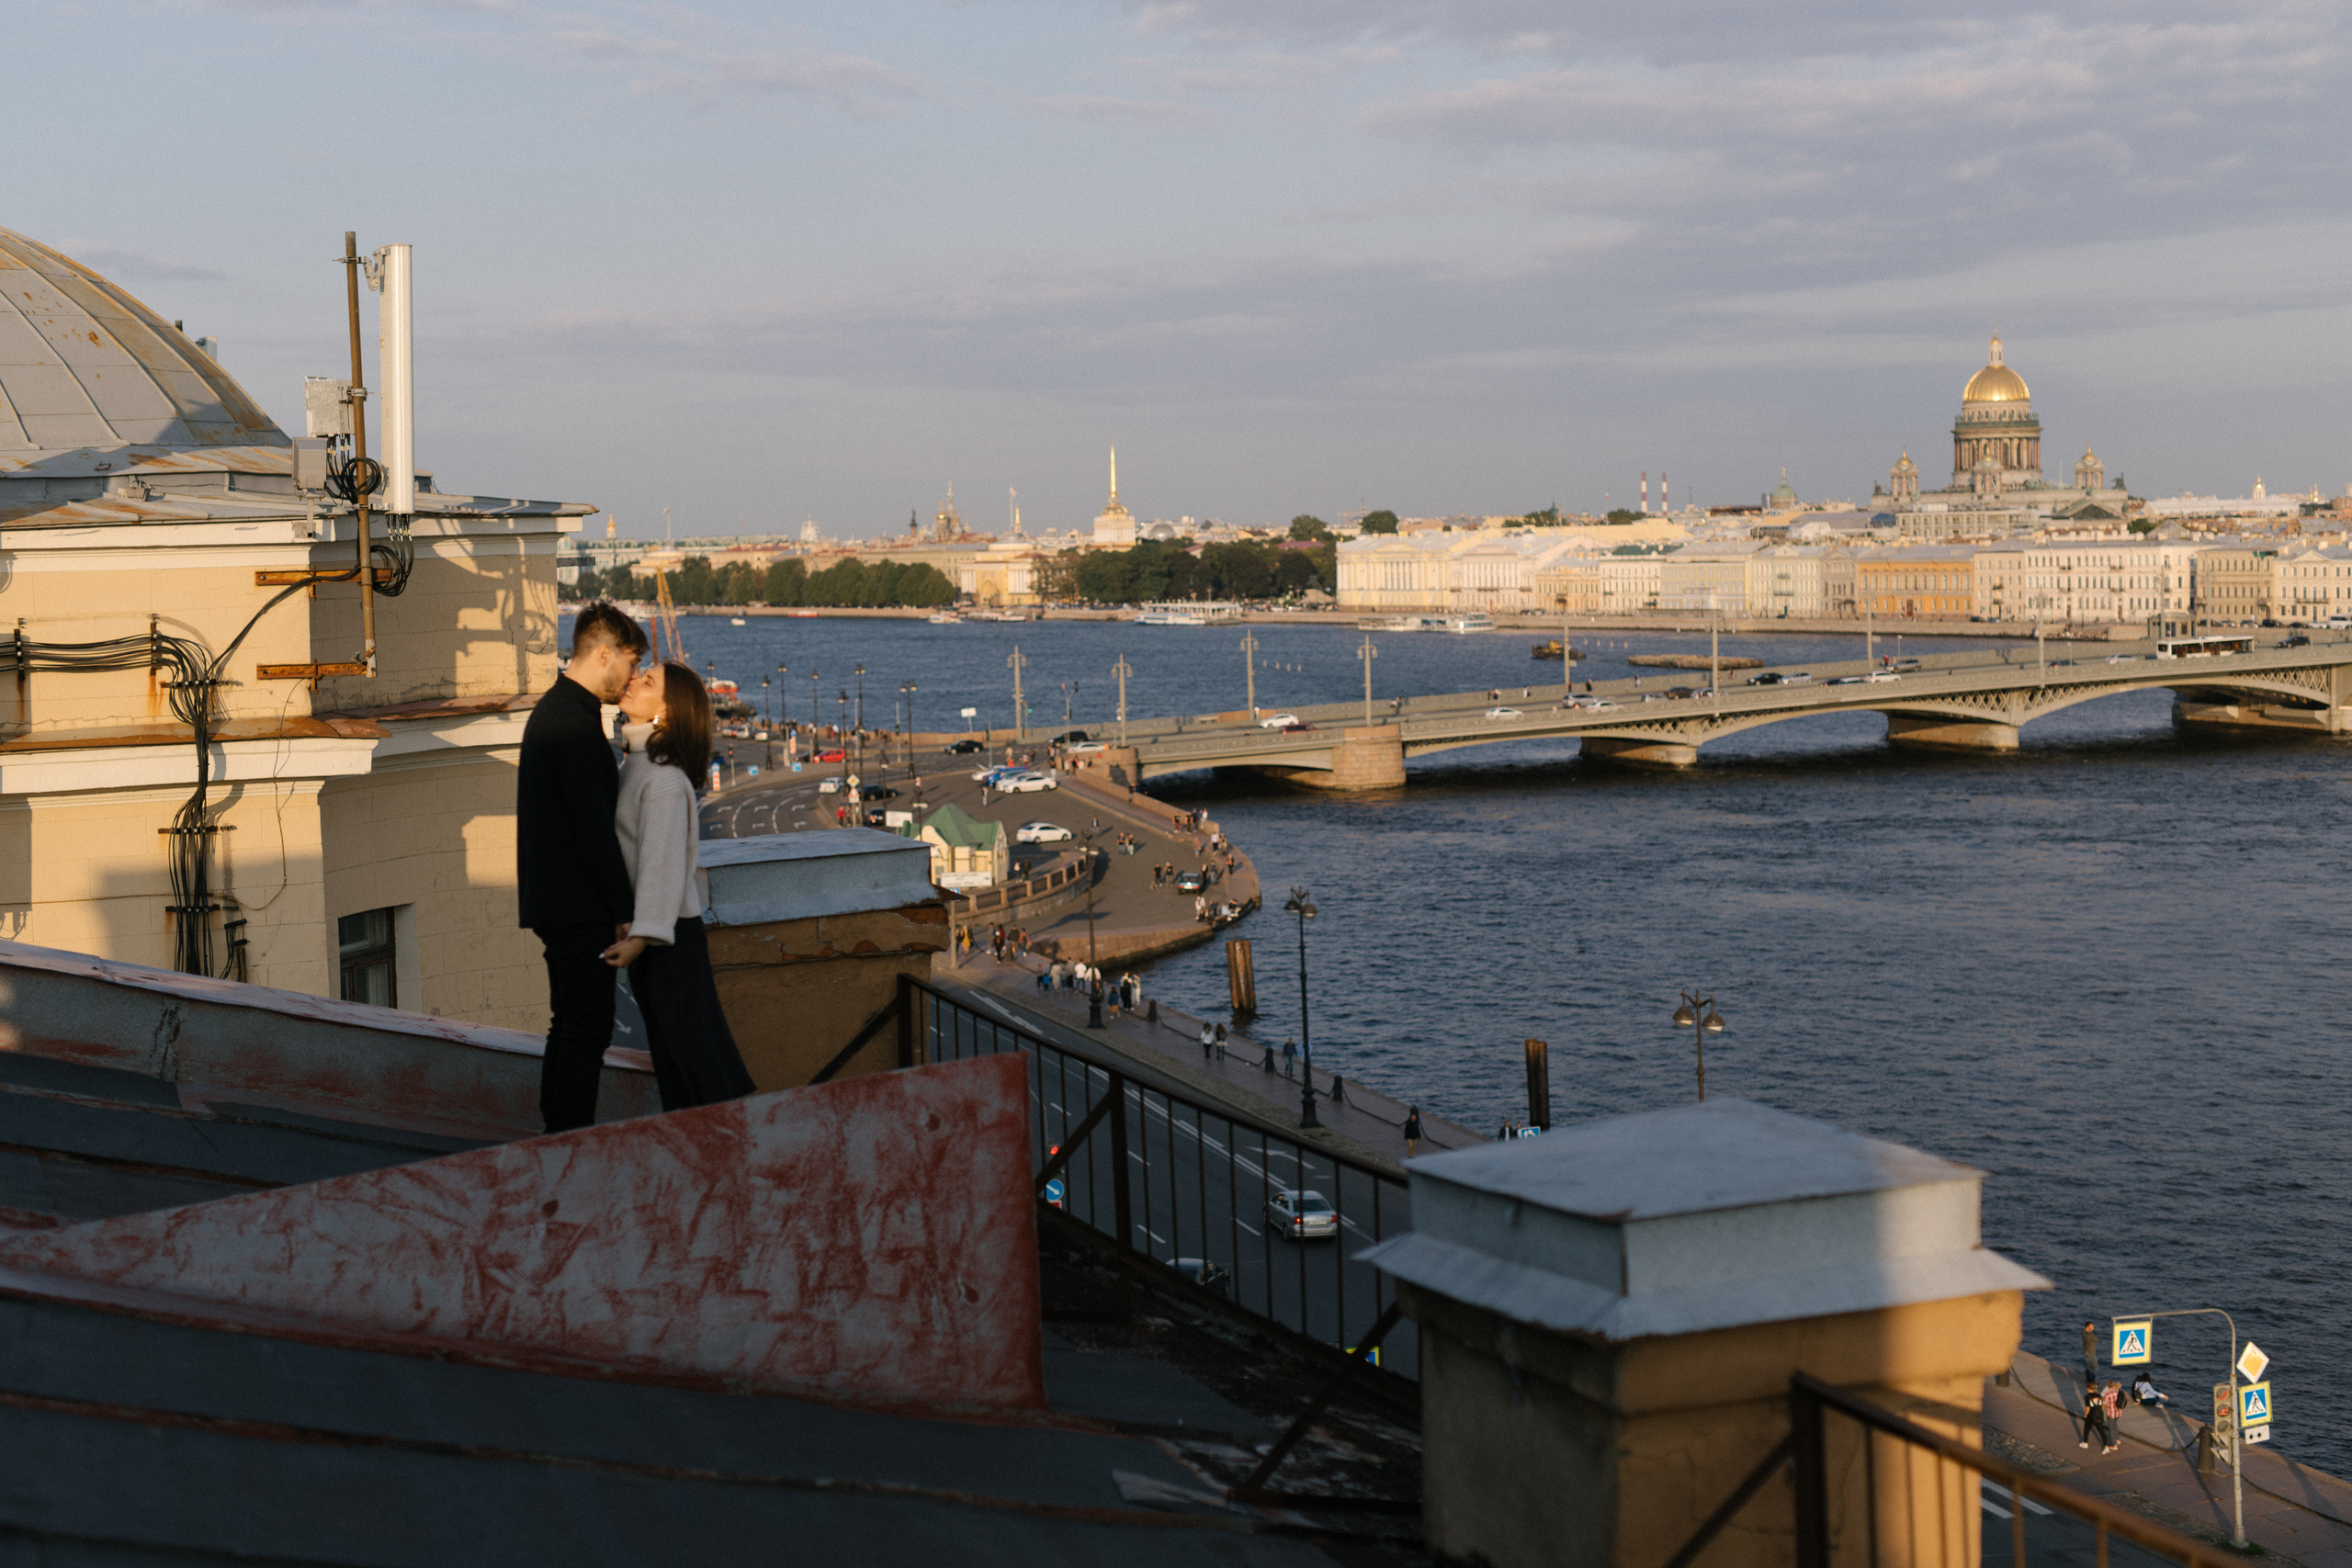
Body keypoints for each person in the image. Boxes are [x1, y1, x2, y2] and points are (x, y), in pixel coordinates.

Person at [600, 660, 757, 1113]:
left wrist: (641, 935)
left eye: (646, 682)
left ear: (665, 714)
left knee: (698, 1064)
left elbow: (662, 864)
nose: (632, 681)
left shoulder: (662, 778)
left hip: (668, 939)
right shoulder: (640, 765)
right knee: (681, 1061)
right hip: (661, 935)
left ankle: (727, 1155)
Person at [517, 602, 648, 1134]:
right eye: (631, 662)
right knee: (584, 1029)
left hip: (559, 900)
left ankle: (561, 1134)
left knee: (572, 1025)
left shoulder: (558, 710)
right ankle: (568, 1137)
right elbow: (594, 831)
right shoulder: (573, 723)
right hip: (576, 904)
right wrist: (623, 911)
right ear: (603, 654)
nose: (633, 676)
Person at [2082, 1321, 2099, 1390]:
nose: (2093, 1328)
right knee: (2095, 1368)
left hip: (2086, 1352)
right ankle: (2092, 1382)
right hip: (2091, 1353)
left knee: (2088, 1367)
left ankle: (2088, 1381)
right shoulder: (2090, 1335)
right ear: (2088, 1327)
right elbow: (2097, 1340)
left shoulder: (2083, 1333)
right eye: (2092, 1327)